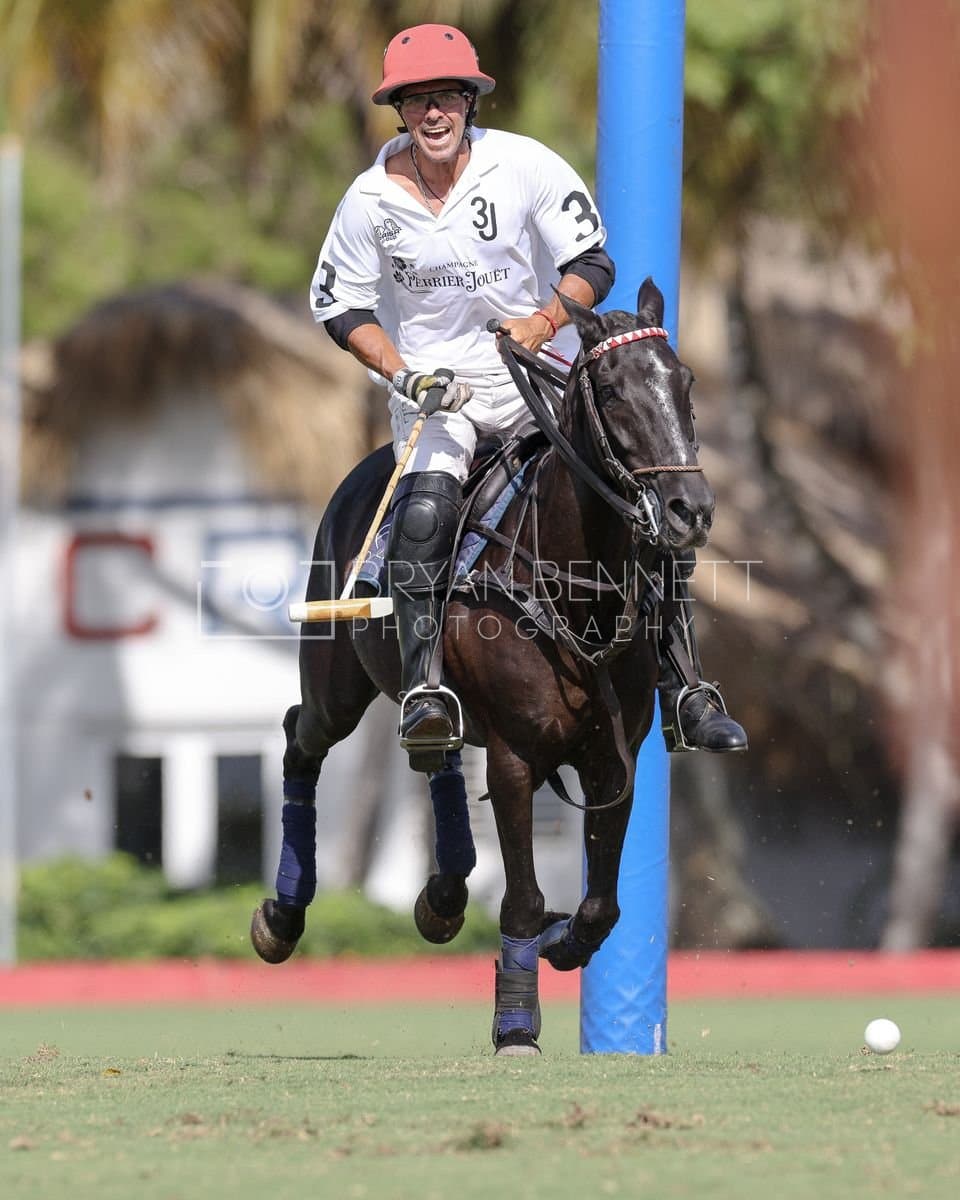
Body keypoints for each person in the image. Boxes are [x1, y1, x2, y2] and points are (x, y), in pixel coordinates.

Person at [309, 22, 746, 761]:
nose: (434, 113)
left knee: (645, 506)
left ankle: (686, 687)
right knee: (422, 518)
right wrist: (404, 372)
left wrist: (544, 321)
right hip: (440, 396)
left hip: (542, 379)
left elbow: (592, 261)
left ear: (470, 101)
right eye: (417, 101)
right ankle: (425, 690)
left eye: (447, 96)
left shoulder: (526, 166)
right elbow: (340, 307)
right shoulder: (368, 200)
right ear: (400, 113)